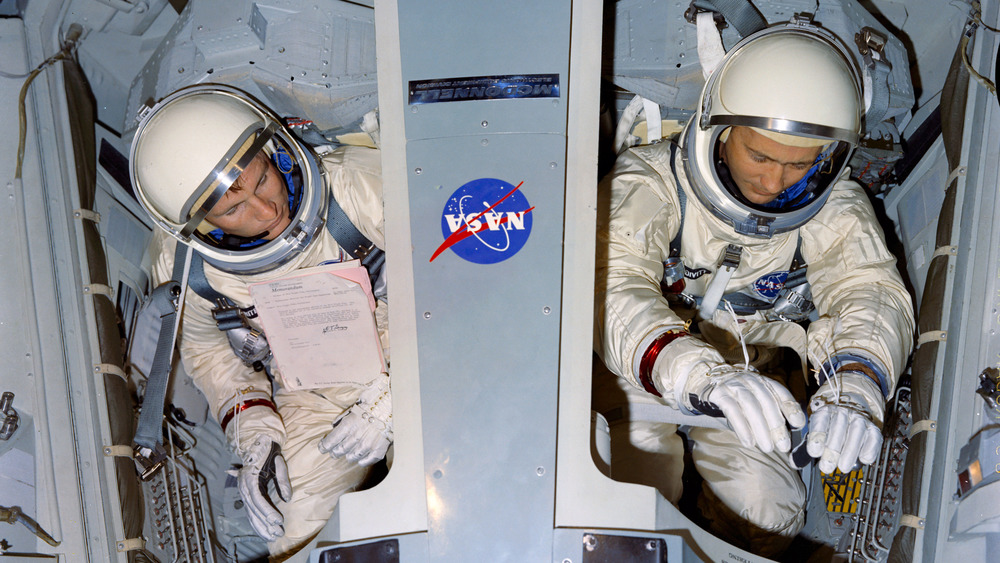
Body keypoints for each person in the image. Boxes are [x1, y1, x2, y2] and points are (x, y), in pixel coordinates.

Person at [593, 22, 915, 556]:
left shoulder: (833, 205)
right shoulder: (650, 181)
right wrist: (696, 371)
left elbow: (868, 289)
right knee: (631, 499)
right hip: (639, 373)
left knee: (766, 515)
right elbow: (612, 283)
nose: (773, 183)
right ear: (719, 130)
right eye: (759, 157)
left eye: (798, 163)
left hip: (751, 377)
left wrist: (857, 379)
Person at [129, 84, 392, 559]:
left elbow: (466, 283)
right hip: (316, 392)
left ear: (273, 151)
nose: (267, 210)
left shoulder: (357, 190)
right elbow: (210, 355)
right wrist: (257, 436)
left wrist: (392, 400)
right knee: (290, 524)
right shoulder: (191, 271)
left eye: (263, 179)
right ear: (203, 226)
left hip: (425, 353)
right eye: (233, 209)